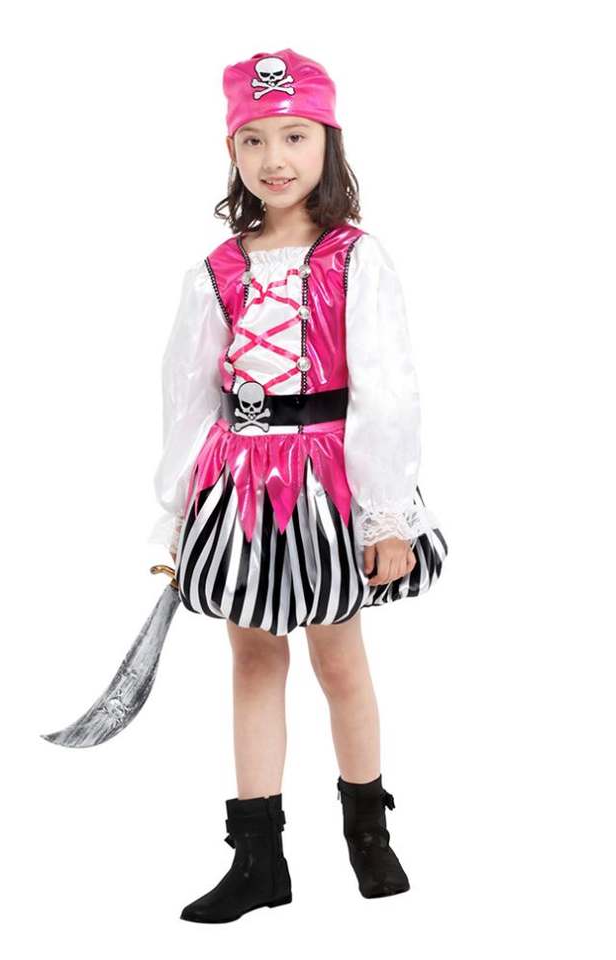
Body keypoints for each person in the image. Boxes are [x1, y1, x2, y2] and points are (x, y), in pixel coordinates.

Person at [149, 48, 449, 923]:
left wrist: (385, 514)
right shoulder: (218, 270)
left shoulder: (355, 259)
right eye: (253, 140)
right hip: (240, 485)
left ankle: (368, 832)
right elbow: (187, 396)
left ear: (328, 142)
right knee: (251, 655)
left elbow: (387, 388)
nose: (274, 158)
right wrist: (177, 512)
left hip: (324, 485)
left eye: (293, 136)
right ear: (232, 152)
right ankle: (258, 859)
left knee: (338, 656)